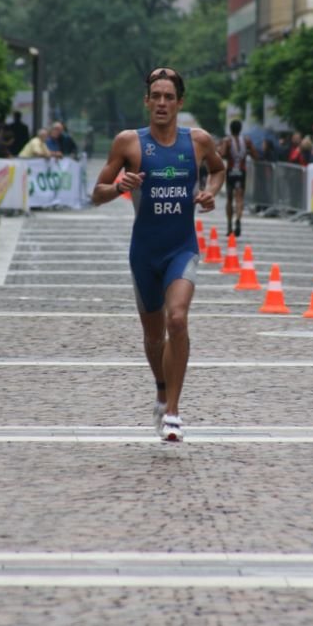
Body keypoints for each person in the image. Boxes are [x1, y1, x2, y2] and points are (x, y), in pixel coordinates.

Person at [92, 67, 225, 442]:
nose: (162, 103)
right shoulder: (128, 143)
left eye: (170, 97)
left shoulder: (197, 141)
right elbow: (96, 194)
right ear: (147, 102)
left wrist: (211, 192)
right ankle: (162, 387)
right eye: (156, 97)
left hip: (181, 248)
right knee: (153, 338)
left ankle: (173, 413)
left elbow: (218, 169)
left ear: (180, 102)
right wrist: (119, 186)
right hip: (144, 252)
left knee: (178, 320)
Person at [218, 119, 258, 237]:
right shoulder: (246, 141)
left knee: (229, 199)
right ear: (241, 129)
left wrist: (221, 149)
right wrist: (248, 152)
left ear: (230, 129)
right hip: (241, 171)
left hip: (231, 172)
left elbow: (222, 154)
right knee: (239, 198)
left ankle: (229, 225)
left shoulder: (227, 140)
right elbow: (256, 155)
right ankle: (238, 220)